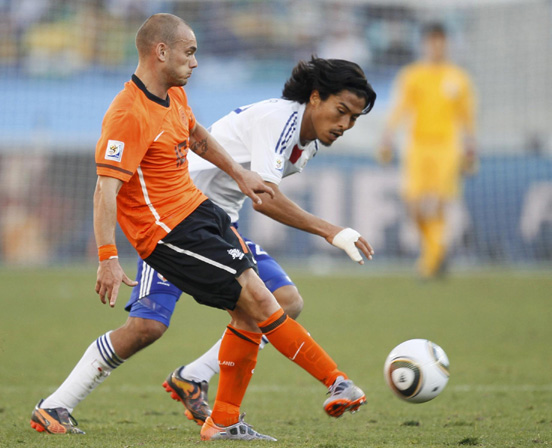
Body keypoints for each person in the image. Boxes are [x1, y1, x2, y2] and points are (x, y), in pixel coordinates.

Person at [30, 13, 375, 441]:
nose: (195, 63)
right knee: (154, 324)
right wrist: (106, 257)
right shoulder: (128, 114)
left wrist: (237, 171)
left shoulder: (174, 96)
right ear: (161, 52)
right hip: (170, 229)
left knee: (274, 302)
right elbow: (105, 190)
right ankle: (335, 382)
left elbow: (196, 134)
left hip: (206, 216)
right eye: (189, 52)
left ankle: (213, 405)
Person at [378, 22, 477, 279]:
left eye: (441, 40)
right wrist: (387, 136)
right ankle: (437, 249)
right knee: (413, 205)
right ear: (424, 44)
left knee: (439, 204)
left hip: (447, 147)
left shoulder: (458, 77)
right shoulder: (412, 75)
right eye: (432, 40)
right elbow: (400, 108)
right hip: (418, 146)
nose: (437, 46)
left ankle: (429, 263)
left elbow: (467, 116)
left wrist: (471, 147)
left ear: (447, 44)